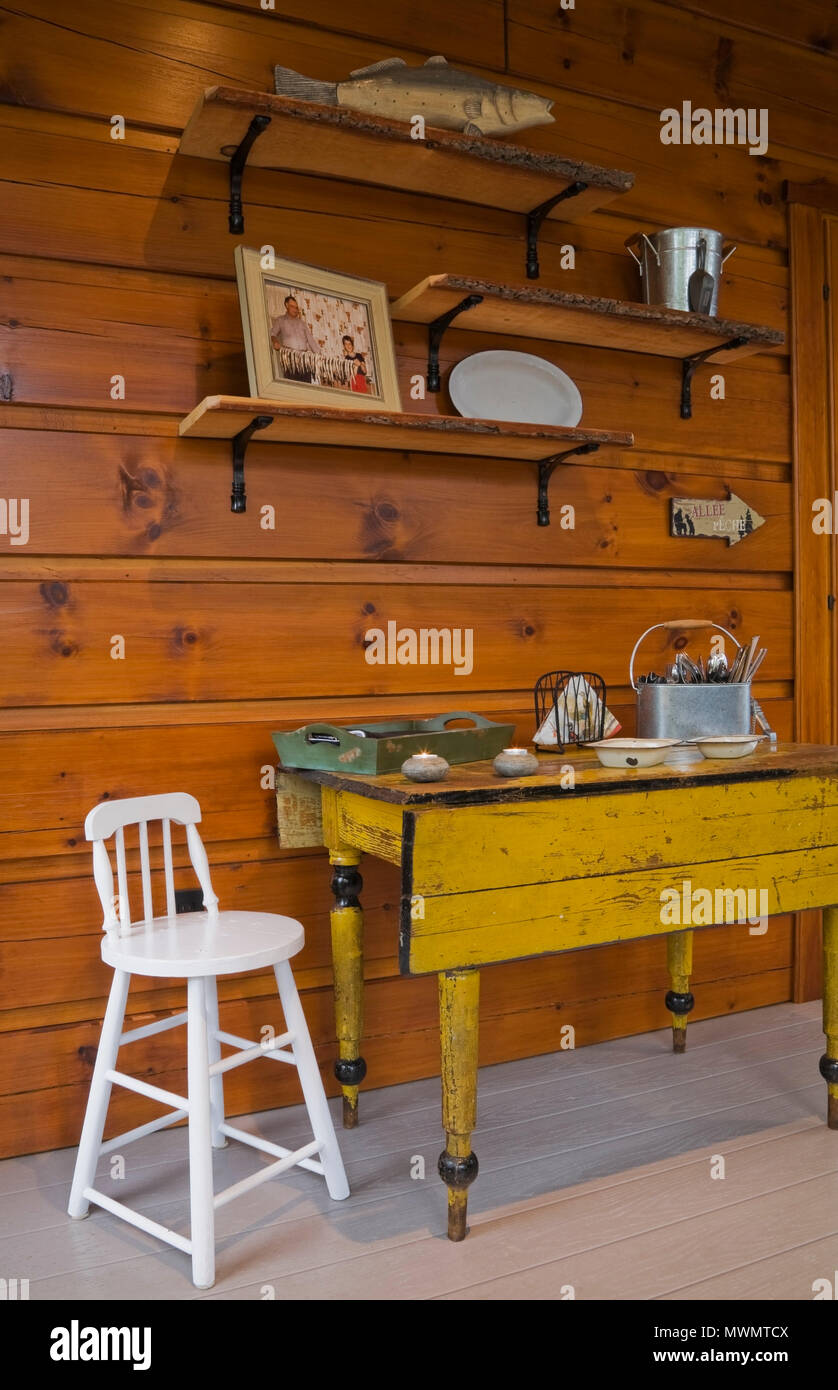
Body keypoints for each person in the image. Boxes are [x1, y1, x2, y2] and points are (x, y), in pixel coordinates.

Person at [271, 296, 320, 381]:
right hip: (290, 358)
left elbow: (310, 340)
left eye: (296, 307)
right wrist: (275, 341)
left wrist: (319, 355)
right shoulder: (280, 320)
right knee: (293, 385)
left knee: (306, 386)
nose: (295, 309)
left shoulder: (302, 323)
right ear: (286, 305)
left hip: (304, 359)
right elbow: (272, 334)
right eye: (292, 306)